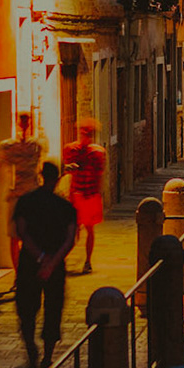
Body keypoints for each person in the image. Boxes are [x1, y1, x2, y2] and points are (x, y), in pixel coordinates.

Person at [12, 161, 78, 368]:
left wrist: (40, 258)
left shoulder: (25, 202)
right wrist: (51, 263)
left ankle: (31, 351)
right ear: (57, 178)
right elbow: (70, 239)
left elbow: (22, 232)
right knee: (53, 310)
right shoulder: (65, 207)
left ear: (41, 176)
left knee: (27, 310)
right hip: (55, 268)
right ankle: (47, 357)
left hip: (30, 265)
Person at [0, 111, 48, 264]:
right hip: (24, 196)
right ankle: (19, 273)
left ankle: (22, 273)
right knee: (18, 236)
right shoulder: (24, 146)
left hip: (24, 196)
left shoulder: (31, 146)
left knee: (20, 236)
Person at [62, 118, 107, 275]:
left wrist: (97, 195)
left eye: (87, 133)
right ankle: (62, 258)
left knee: (89, 229)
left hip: (90, 195)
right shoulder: (71, 150)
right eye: (83, 133)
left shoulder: (98, 153)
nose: (84, 136)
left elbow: (99, 176)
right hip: (77, 195)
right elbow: (66, 168)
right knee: (73, 230)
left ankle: (87, 261)